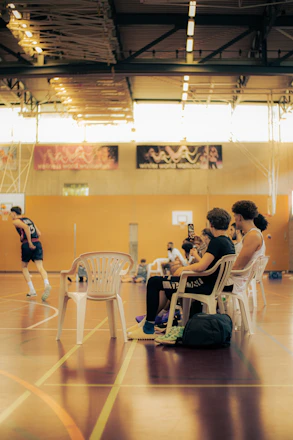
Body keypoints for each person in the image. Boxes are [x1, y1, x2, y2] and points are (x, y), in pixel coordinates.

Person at [127, 208, 235, 340]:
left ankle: (148, 328)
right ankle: (146, 323)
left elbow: (202, 266)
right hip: (210, 284)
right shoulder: (228, 242)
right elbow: (209, 265)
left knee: (154, 281)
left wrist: (183, 269)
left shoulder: (217, 242)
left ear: (211, 224)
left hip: (202, 285)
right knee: (163, 285)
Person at [10, 206, 52, 301]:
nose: (10, 215)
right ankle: (46, 284)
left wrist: (29, 242)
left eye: (10, 214)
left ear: (14, 213)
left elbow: (25, 228)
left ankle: (32, 290)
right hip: (37, 242)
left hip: (28, 244)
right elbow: (39, 233)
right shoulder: (29, 219)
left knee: (24, 267)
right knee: (40, 267)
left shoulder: (16, 221)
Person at [225, 200, 266, 293]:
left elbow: (238, 267)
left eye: (235, 216)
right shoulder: (251, 234)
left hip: (236, 282)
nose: (234, 219)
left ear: (239, 217)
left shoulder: (253, 236)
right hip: (237, 279)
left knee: (202, 282)